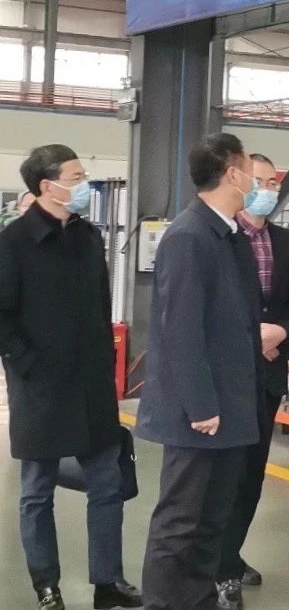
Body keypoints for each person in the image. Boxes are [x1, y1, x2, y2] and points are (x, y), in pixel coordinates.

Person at [0, 145, 142, 610]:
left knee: (107, 484)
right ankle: (47, 586)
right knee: (37, 492)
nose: (83, 185)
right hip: (40, 388)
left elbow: (101, 305)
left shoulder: (87, 236)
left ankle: (108, 583)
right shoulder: (13, 242)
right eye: (76, 177)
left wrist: (105, 360)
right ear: (48, 185)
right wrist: (27, 365)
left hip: (92, 386)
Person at [137, 133, 264, 610]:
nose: (257, 183)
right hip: (201, 411)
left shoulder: (229, 235)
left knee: (213, 518)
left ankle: (197, 599)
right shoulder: (189, 237)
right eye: (251, 171)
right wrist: (201, 405)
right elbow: (180, 329)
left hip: (230, 404)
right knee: (182, 520)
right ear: (233, 173)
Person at [215, 154, 289, 610]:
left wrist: (281, 332)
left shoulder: (286, 242)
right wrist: (255, 338)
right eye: (259, 181)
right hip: (228, 376)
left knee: (251, 475)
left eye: (273, 182)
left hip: (267, 376)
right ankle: (218, 566)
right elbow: (216, 305)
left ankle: (230, 555)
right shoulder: (221, 237)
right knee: (222, 476)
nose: (266, 189)